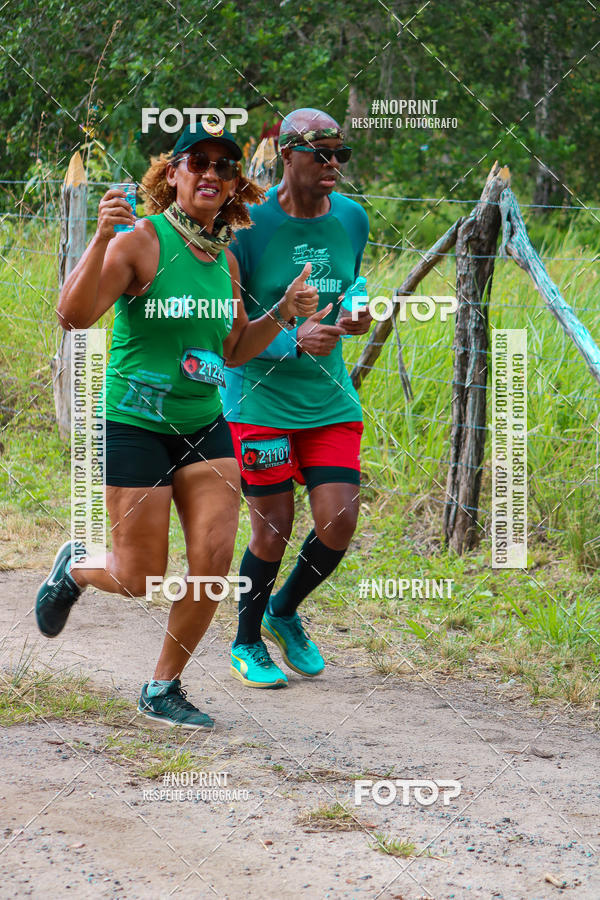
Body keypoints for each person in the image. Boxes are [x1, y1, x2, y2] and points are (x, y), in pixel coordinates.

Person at [35, 122, 318, 728]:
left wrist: (284, 314)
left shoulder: (225, 263)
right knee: (138, 577)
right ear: (173, 173)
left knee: (213, 562)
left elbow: (238, 348)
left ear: (235, 183)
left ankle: (163, 687)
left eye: (224, 165)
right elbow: (73, 315)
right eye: (199, 161)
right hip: (135, 422)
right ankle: (78, 566)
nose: (211, 173)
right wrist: (99, 240)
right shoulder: (141, 241)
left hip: (205, 424)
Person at [222, 108, 371, 688]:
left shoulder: (352, 218)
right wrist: (290, 341)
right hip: (258, 400)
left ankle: (283, 612)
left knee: (339, 519)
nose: (333, 165)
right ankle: (245, 641)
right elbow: (229, 338)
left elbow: (353, 286)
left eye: (341, 154)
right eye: (320, 153)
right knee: (273, 527)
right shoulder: (248, 226)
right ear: (287, 154)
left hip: (327, 397)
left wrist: (358, 313)